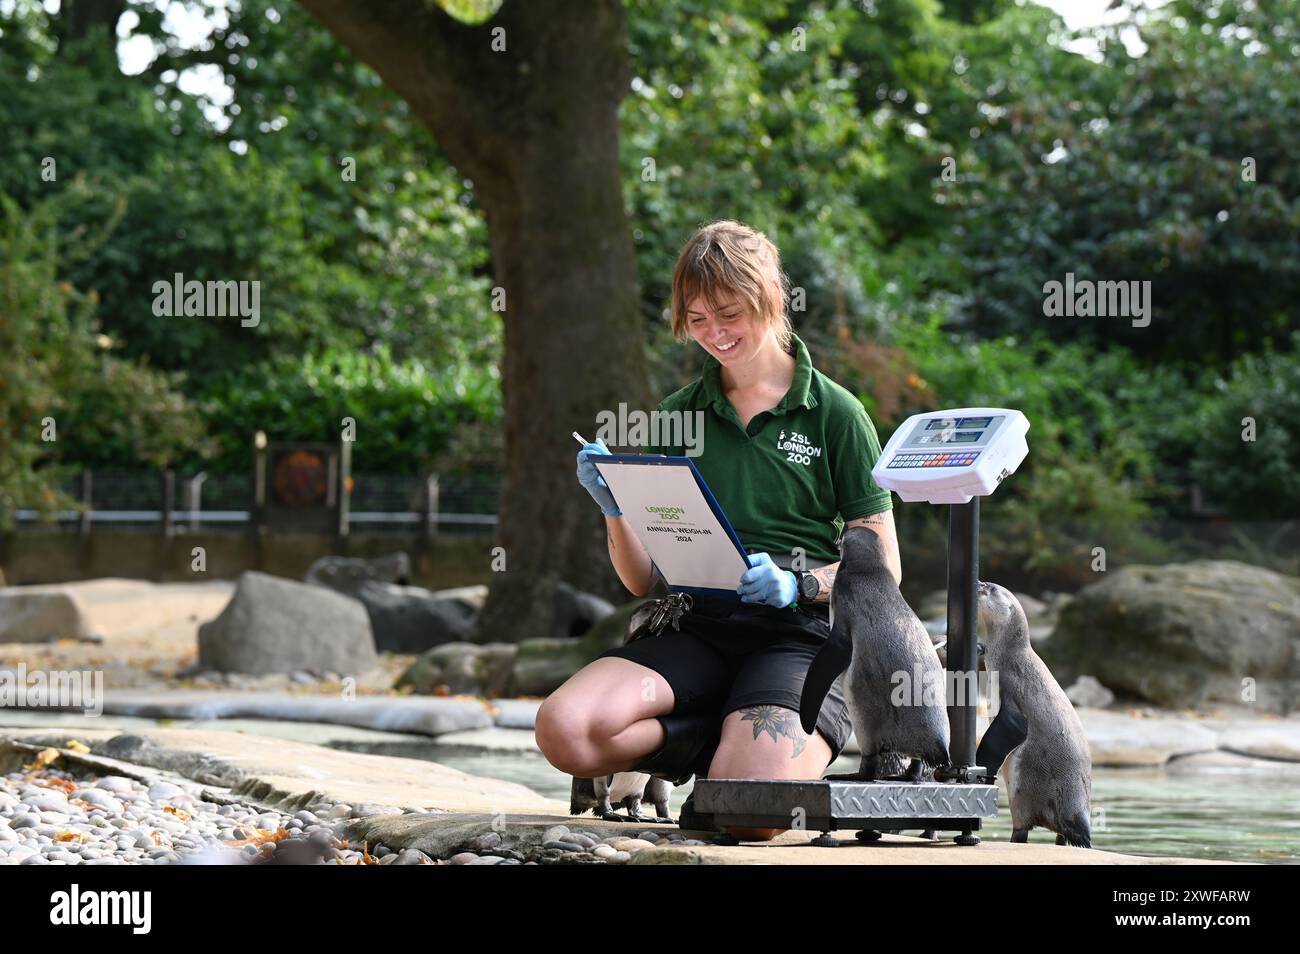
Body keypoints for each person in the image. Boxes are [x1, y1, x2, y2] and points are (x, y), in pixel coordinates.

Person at [535, 220, 901, 840]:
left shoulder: (837, 413)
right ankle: (721, 739)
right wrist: (614, 506)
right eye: (698, 320)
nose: (715, 335)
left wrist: (798, 583)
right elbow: (643, 579)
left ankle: (750, 749)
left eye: (729, 314)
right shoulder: (679, 413)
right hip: (696, 626)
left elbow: (885, 570)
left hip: (802, 637)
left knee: (751, 813)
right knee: (566, 730)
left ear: (771, 299)